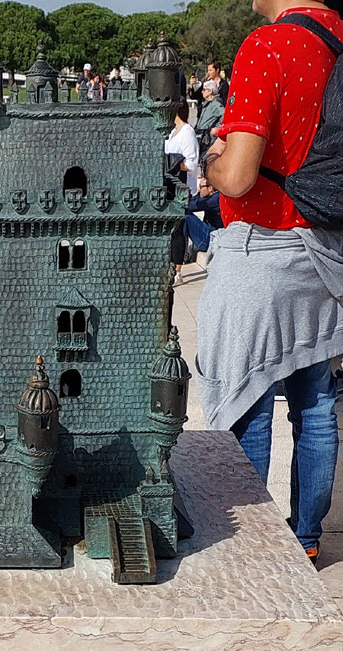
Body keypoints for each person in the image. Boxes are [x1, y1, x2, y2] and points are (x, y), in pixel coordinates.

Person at [196, 0, 343, 564]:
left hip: (266, 251)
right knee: (316, 403)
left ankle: (252, 550)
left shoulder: (268, 45)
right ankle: (306, 538)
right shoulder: (336, 38)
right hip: (327, 251)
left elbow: (236, 177)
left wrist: (212, 161)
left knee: (247, 400)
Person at [165, 100, 199, 198]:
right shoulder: (171, 131)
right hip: (170, 187)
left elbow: (191, 165)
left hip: (183, 189)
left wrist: (169, 164)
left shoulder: (187, 132)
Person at [195, 79, 224, 156]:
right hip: (201, 134)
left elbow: (224, 115)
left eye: (204, 90)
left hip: (207, 137)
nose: (202, 92)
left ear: (210, 91)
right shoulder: (206, 103)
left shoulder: (216, 104)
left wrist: (217, 127)